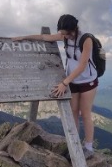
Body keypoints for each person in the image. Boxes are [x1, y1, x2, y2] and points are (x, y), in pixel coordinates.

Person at [12, 14, 98, 156]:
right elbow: (44, 38)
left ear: (73, 29)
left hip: (88, 81)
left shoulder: (86, 39)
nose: (63, 36)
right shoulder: (65, 36)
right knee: (74, 112)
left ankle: (89, 147)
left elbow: (82, 65)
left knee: (85, 113)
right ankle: (75, 143)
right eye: (61, 33)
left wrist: (64, 83)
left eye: (66, 33)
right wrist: (24, 37)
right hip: (72, 80)